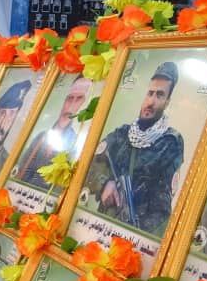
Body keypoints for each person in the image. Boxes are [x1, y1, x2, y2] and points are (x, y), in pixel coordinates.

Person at [86, 62, 184, 235]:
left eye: (160, 95)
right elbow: (90, 164)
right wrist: (105, 183)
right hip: (102, 224)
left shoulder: (170, 142)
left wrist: (140, 234)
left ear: (167, 102)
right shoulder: (122, 134)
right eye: (150, 93)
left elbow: (162, 202)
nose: (151, 102)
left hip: (137, 230)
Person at [16, 77, 93, 189]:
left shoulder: (77, 146)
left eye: (79, 99)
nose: (71, 105)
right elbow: (22, 172)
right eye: (70, 98)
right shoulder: (41, 137)